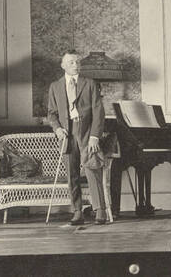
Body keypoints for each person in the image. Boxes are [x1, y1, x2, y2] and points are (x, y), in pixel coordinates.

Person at [47, 50, 108, 225]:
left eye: (78, 62)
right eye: (72, 62)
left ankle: (99, 210)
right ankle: (77, 211)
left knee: (91, 168)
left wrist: (95, 136)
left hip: (87, 131)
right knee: (72, 174)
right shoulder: (55, 86)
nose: (76, 65)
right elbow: (51, 113)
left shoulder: (89, 84)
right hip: (67, 133)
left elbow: (98, 112)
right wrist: (57, 129)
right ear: (63, 65)